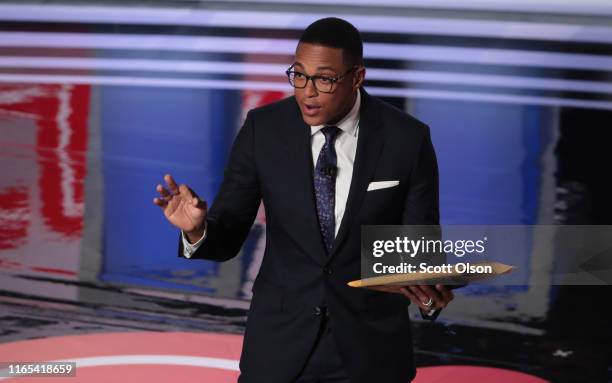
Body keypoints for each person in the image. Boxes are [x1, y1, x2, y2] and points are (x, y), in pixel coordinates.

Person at [154, 17, 454, 383]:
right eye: (298, 75)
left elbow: (417, 252)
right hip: (279, 350)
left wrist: (427, 295)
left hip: (369, 355)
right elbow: (229, 234)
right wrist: (198, 230)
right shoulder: (263, 129)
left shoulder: (407, 139)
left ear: (357, 77)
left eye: (324, 79)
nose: (307, 92)